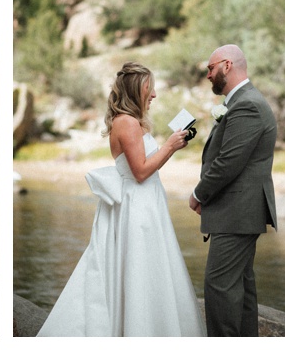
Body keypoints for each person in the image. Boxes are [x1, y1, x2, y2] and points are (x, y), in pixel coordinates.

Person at [38, 62, 203, 336]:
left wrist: (171, 147)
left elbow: (145, 165)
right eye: (149, 89)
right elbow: (140, 172)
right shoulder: (126, 122)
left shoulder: (132, 122)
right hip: (136, 207)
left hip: (147, 203)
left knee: (148, 270)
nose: (153, 96)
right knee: (138, 267)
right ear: (136, 90)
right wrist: (170, 146)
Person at [189, 45, 277, 336]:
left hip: (237, 212)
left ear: (227, 65)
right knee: (241, 289)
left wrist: (200, 194)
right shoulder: (240, 101)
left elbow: (229, 162)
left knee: (220, 289)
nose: (208, 75)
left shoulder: (247, 104)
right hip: (239, 211)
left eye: (210, 68)